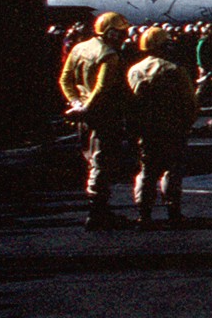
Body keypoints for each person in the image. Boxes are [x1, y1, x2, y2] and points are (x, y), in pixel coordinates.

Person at [58, 12, 136, 230]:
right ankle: (98, 211)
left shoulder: (79, 48)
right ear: (111, 32)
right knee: (102, 161)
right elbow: (102, 88)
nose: (124, 37)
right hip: (103, 114)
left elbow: (65, 79)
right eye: (121, 32)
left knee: (91, 159)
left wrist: (76, 104)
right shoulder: (109, 54)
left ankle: (98, 209)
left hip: (83, 112)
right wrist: (88, 108)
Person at [128, 27, 198, 229]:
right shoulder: (174, 70)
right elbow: (189, 101)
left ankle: (144, 214)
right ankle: (173, 211)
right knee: (171, 170)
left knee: (146, 171)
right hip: (172, 126)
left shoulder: (134, 70)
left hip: (145, 128)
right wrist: (187, 123)